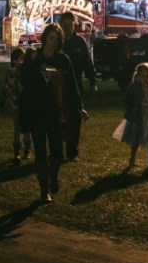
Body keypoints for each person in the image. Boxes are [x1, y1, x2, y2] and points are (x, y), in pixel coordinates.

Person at [20, 23, 88, 204]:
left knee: (57, 151)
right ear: (44, 37)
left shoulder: (63, 59)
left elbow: (72, 85)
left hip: (56, 111)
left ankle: (53, 178)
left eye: (57, 39)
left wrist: (79, 107)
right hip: (37, 111)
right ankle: (45, 191)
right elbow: (24, 81)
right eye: (51, 38)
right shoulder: (33, 56)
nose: (53, 42)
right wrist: (32, 63)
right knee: (40, 150)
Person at [59, 11, 96, 162]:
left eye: (71, 24)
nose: (68, 27)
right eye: (65, 24)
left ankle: (72, 151)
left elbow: (87, 62)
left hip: (76, 85)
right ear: (61, 24)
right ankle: (58, 150)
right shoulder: (57, 41)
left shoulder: (79, 42)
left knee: (75, 118)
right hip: (59, 85)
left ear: (74, 24)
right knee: (59, 118)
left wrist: (92, 80)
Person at [0, 47, 31, 165]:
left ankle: (27, 149)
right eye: (22, 58)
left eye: (25, 58)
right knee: (17, 127)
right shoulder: (11, 70)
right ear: (14, 60)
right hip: (15, 102)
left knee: (26, 127)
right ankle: (17, 152)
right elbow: (6, 85)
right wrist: (3, 99)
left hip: (25, 102)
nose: (24, 61)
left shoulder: (26, 70)